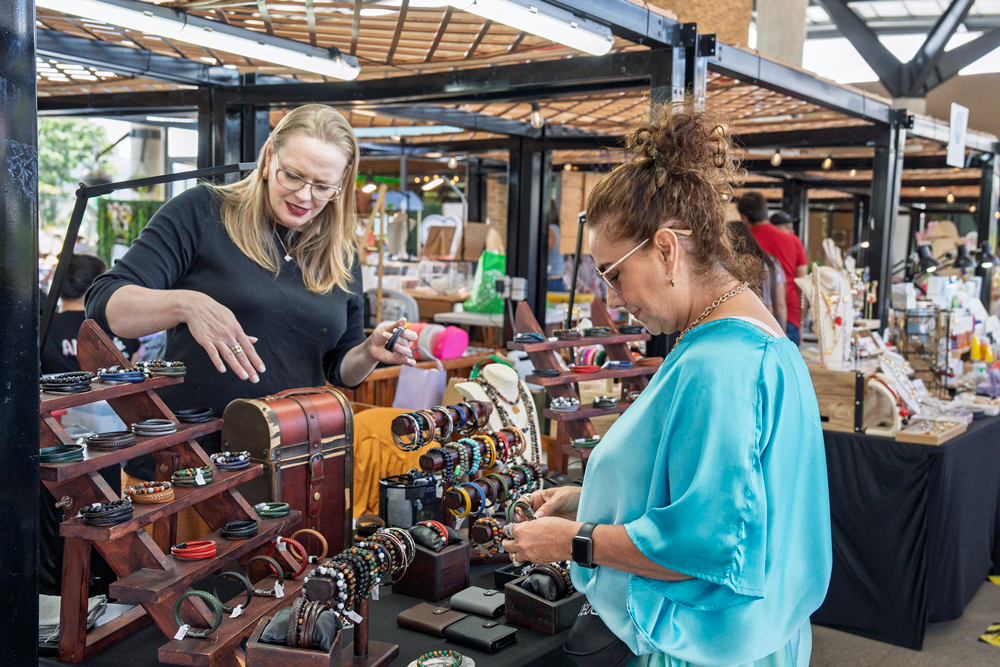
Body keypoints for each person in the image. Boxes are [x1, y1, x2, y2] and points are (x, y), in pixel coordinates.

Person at [500, 105, 831, 667]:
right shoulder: (749, 339)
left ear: (667, 249)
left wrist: (575, 540)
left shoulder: (721, 365)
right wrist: (592, 502)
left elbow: (708, 548)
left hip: (707, 647)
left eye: (614, 274)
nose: (613, 299)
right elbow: (723, 501)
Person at [86, 104, 417, 482]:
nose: (305, 196)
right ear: (269, 155)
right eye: (292, 176)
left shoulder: (341, 252)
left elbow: (340, 368)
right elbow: (103, 304)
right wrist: (186, 304)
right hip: (187, 463)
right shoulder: (203, 212)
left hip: (290, 466)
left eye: (323, 186)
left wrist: (369, 351)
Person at [40, 254, 141, 374]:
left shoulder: (40, 329)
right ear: (96, 285)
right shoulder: (121, 325)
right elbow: (131, 378)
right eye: (107, 282)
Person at [739, 192, 807, 344]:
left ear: (744, 218)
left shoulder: (741, 242)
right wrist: (801, 321)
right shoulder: (793, 241)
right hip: (789, 315)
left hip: (751, 319)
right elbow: (803, 286)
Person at [729, 221, 787, 333]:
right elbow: (780, 305)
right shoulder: (771, 263)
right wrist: (783, 332)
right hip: (770, 321)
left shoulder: (729, 267)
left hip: (742, 325)